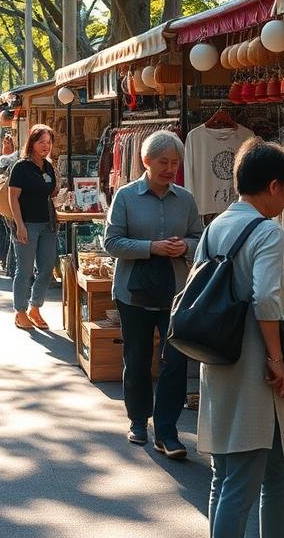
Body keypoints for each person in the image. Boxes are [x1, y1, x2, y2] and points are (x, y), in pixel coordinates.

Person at [197, 138, 284, 538]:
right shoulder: (268, 232)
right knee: (242, 481)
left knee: (244, 475)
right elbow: (266, 299)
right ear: (273, 186)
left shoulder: (215, 226)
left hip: (220, 358)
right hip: (256, 366)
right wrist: (277, 361)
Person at [103, 130, 203, 455]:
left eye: (174, 162)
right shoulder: (126, 196)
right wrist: (152, 247)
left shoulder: (185, 199)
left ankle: (167, 431)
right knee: (137, 359)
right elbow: (111, 242)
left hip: (175, 293)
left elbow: (200, 239)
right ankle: (137, 419)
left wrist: (183, 246)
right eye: (163, 162)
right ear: (146, 161)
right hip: (133, 293)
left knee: (174, 361)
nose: (169, 168)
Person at [7, 124, 58, 330]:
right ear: (32, 143)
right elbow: (13, 197)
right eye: (41, 142)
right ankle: (20, 311)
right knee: (25, 270)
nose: (45, 146)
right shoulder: (21, 166)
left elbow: (50, 192)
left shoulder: (48, 166)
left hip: (48, 223)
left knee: (46, 269)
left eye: (49, 142)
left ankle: (35, 308)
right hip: (27, 223)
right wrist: (19, 225)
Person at [0, 133, 18, 271]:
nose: (5, 146)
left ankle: (6, 262)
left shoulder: (7, 160)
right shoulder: (6, 160)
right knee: (10, 234)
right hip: (6, 201)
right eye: (4, 143)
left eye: (8, 143)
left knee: (9, 233)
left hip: (5, 201)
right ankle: (8, 264)